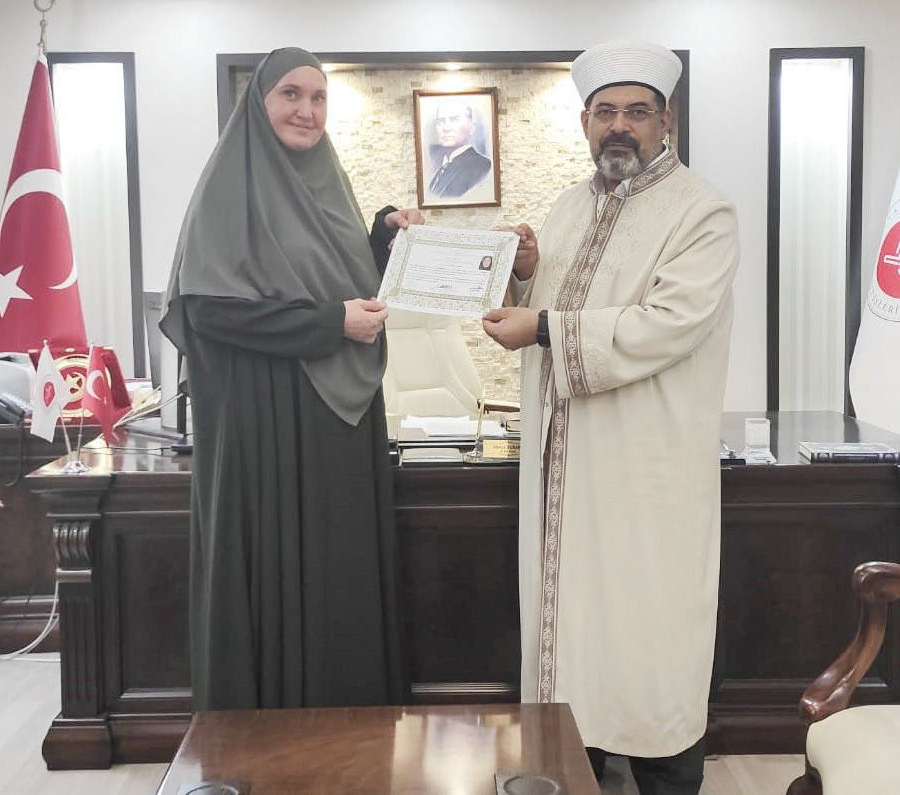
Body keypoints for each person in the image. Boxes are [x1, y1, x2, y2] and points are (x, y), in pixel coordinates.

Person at [482, 40, 739, 795]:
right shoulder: (569, 205)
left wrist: (543, 325)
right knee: (574, 642)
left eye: (637, 111)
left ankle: (664, 777)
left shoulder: (702, 211)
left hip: (646, 474)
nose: (619, 125)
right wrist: (527, 273)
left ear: (667, 121)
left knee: (651, 642)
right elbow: (549, 307)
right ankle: (575, 772)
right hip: (564, 478)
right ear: (586, 122)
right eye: (605, 112)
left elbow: (667, 323)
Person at [160, 47, 423, 711]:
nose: (307, 110)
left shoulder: (328, 183)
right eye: (290, 94)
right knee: (275, 569)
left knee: (338, 574)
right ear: (259, 103)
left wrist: (383, 238)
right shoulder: (229, 186)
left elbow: (332, 274)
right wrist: (331, 324)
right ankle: (270, 739)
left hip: (339, 423)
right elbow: (209, 309)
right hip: (264, 420)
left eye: (318, 97)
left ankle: (348, 739)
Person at [428, 99, 492, 197]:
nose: (446, 128)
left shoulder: (482, 166)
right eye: (440, 122)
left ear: (471, 128)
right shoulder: (442, 169)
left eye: (454, 120)